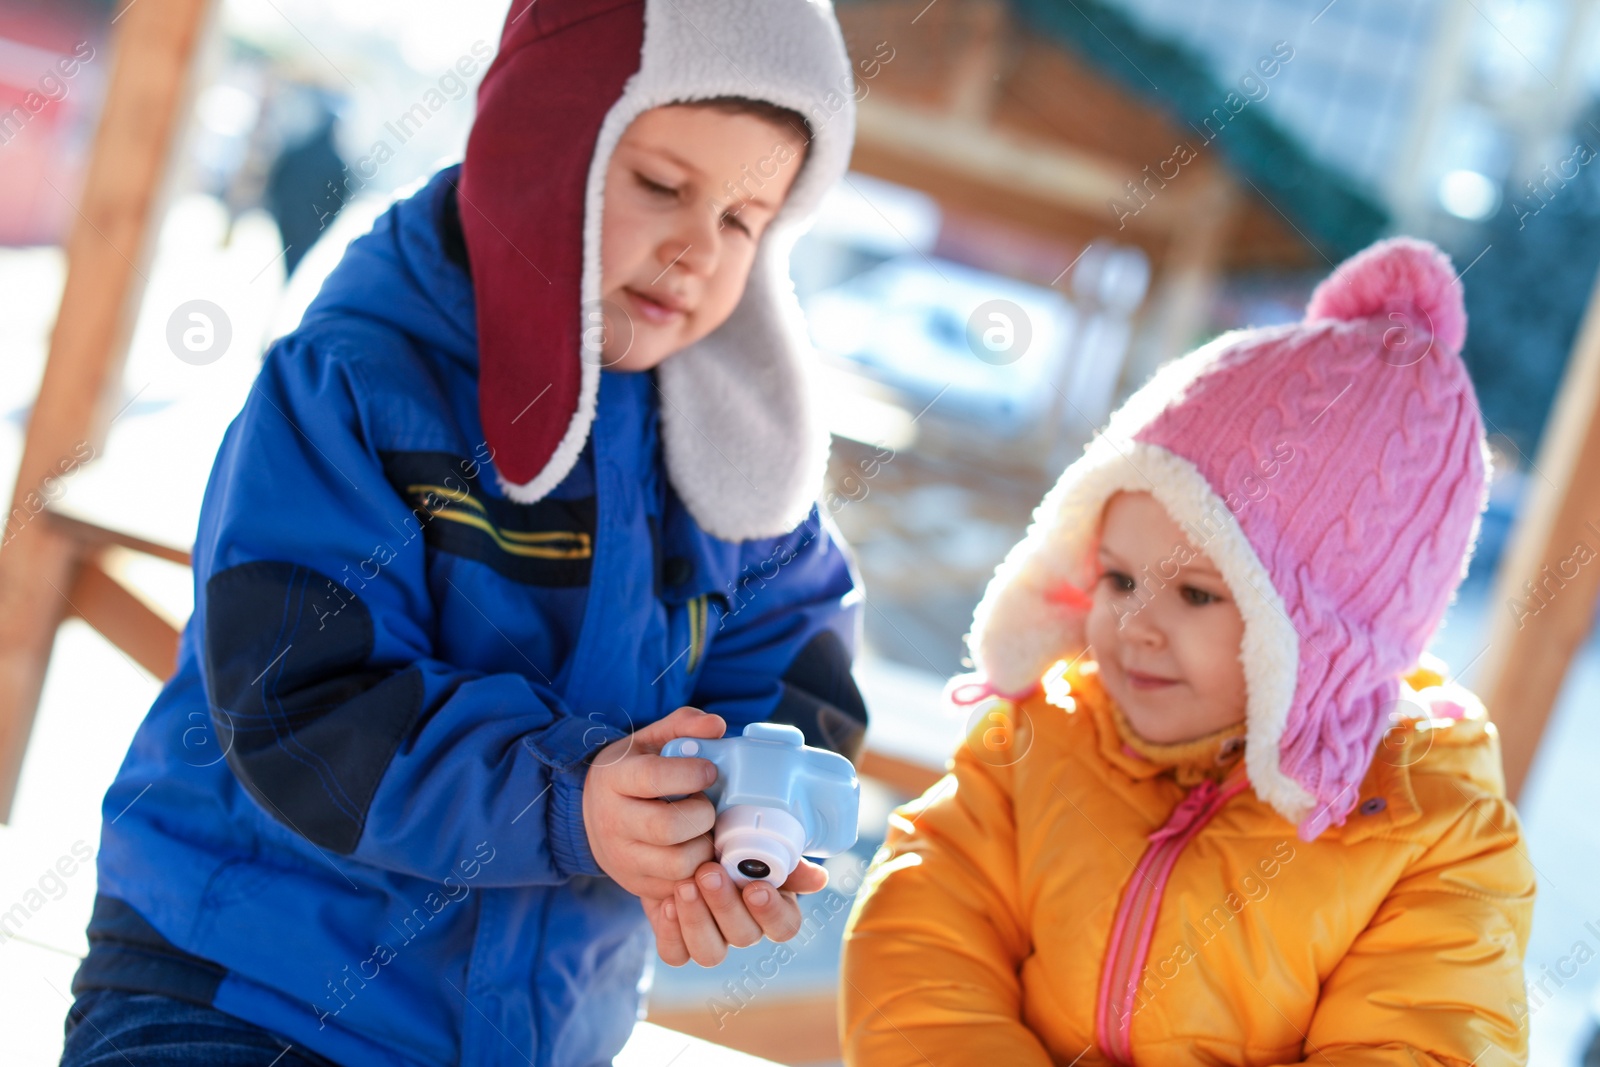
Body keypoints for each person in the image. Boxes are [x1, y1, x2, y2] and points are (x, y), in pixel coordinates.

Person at [59, 1, 869, 1065]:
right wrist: (573, 798)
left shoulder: (734, 453)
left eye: (744, 219)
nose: (694, 249)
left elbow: (796, 667)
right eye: (663, 186)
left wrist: (732, 825)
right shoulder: (361, 380)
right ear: (545, 155)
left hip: (527, 1034)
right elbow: (303, 698)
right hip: (243, 986)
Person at [840, 237, 1536, 1065]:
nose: (1134, 625)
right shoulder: (1043, 739)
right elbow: (922, 929)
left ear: (1324, 636)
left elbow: (1425, 1044)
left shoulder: (1429, 831)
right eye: (1119, 576)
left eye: (1197, 592)